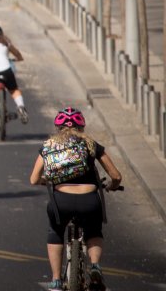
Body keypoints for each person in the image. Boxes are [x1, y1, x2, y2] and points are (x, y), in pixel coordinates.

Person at [29, 107, 122, 291]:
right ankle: (95, 266)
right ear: (81, 126)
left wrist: (46, 181)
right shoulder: (91, 144)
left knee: (56, 231)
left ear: (58, 127)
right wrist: (112, 185)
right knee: (94, 231)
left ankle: (56, 279)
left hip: (60, 201)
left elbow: (33, 179)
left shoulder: (49, 146)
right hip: (89, 200)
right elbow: (115, 175)